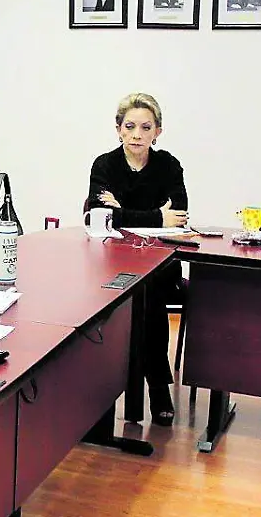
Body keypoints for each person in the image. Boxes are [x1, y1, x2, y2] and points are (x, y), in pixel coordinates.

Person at [87, 93, 187, 426]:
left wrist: (124, 211)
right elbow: (100, 214)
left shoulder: (168, 165)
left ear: (158, 132)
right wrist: (156, 216)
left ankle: (157, 387)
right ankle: (103, 397)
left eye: (146, 127)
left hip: (159, 263)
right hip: (112, 261)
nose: (136, 134)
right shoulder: (105, 165)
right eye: (129, 126)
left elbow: (179, 214)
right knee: (111, 304)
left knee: (149, 298)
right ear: (118, 129)